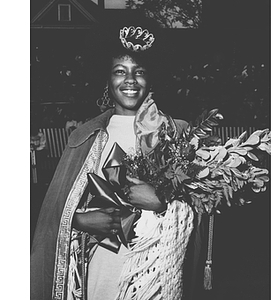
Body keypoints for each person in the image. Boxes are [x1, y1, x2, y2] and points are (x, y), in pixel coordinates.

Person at [31, 19, 202, 300]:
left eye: (139, 71)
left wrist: (162, 203)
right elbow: (53, 214)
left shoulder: (177, 132)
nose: (130, 80)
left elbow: (203, 210)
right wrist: (80, 220)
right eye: (120, 71)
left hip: (156, 274)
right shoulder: (84, 137)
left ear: (151, 79)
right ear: (107, 80)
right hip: (101, 269)